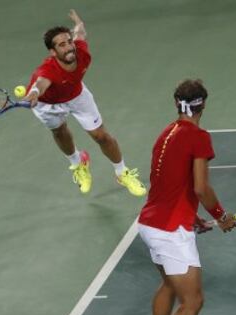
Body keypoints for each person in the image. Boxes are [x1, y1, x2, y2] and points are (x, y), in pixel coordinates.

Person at [138, 79, 236, 315]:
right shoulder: (198, 137)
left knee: (169, 284)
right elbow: (199, 187)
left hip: (150, 224)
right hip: (169, 232)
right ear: (203, 104)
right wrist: (221, 216)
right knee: (193, 301)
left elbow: (166, 184)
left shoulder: (165, 134)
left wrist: (193, 218)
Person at [24, 10, 146, 197]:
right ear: (52, 51)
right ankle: (77, 162)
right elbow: (40, 83)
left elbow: (80, 33)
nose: (69, 47)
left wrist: (78, 22)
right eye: (62, 45)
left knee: (101, 136)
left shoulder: (82, 52)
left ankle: (122, 173)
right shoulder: (48, 70)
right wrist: (33, 92)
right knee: (59, 131)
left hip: (76, 96)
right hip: (46, 104)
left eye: (69, 42)